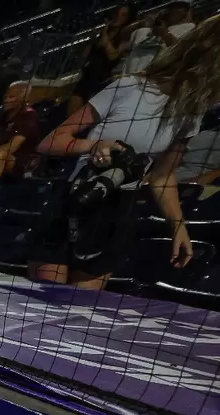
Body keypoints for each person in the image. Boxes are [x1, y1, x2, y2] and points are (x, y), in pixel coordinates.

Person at [29, 16, 218, 288]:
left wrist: (179, 227)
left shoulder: (191, 114)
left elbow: (162, 178)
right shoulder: (128, 86)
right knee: (44, 305)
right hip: (74, 201)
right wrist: (93, 145)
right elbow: (51, 141)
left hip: (116, 215)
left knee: (77, 317)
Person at [70, 5, 137, 114]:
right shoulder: (102, 34)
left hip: (102, 82)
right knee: (72, 114)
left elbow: (112, 55)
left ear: (127, 19)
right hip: (87, 76)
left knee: (88, 116)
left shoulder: (125, 36)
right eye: (117, 13)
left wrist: (105, 33)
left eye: (123, 15)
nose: (117, 17)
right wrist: (90, 42)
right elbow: (84, 57)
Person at [0, 81, 43, 183]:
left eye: (11, 97)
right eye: (6, 96)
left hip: (25, 161)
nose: (6, 100)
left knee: (1, 154)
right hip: (5, 157)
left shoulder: (29, 116)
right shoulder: (5, 115)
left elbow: (11, 147)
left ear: (23, 99)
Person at [122, 2, 192, 75]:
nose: (170, 10)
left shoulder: (189, 27)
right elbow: (123, 35)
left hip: (150, 76)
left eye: (176, 7)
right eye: (169, 6)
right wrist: (141, 23)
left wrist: (165, 34)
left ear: (185, 12)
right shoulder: (149, 27)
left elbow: (182, 51)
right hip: (129, 72)